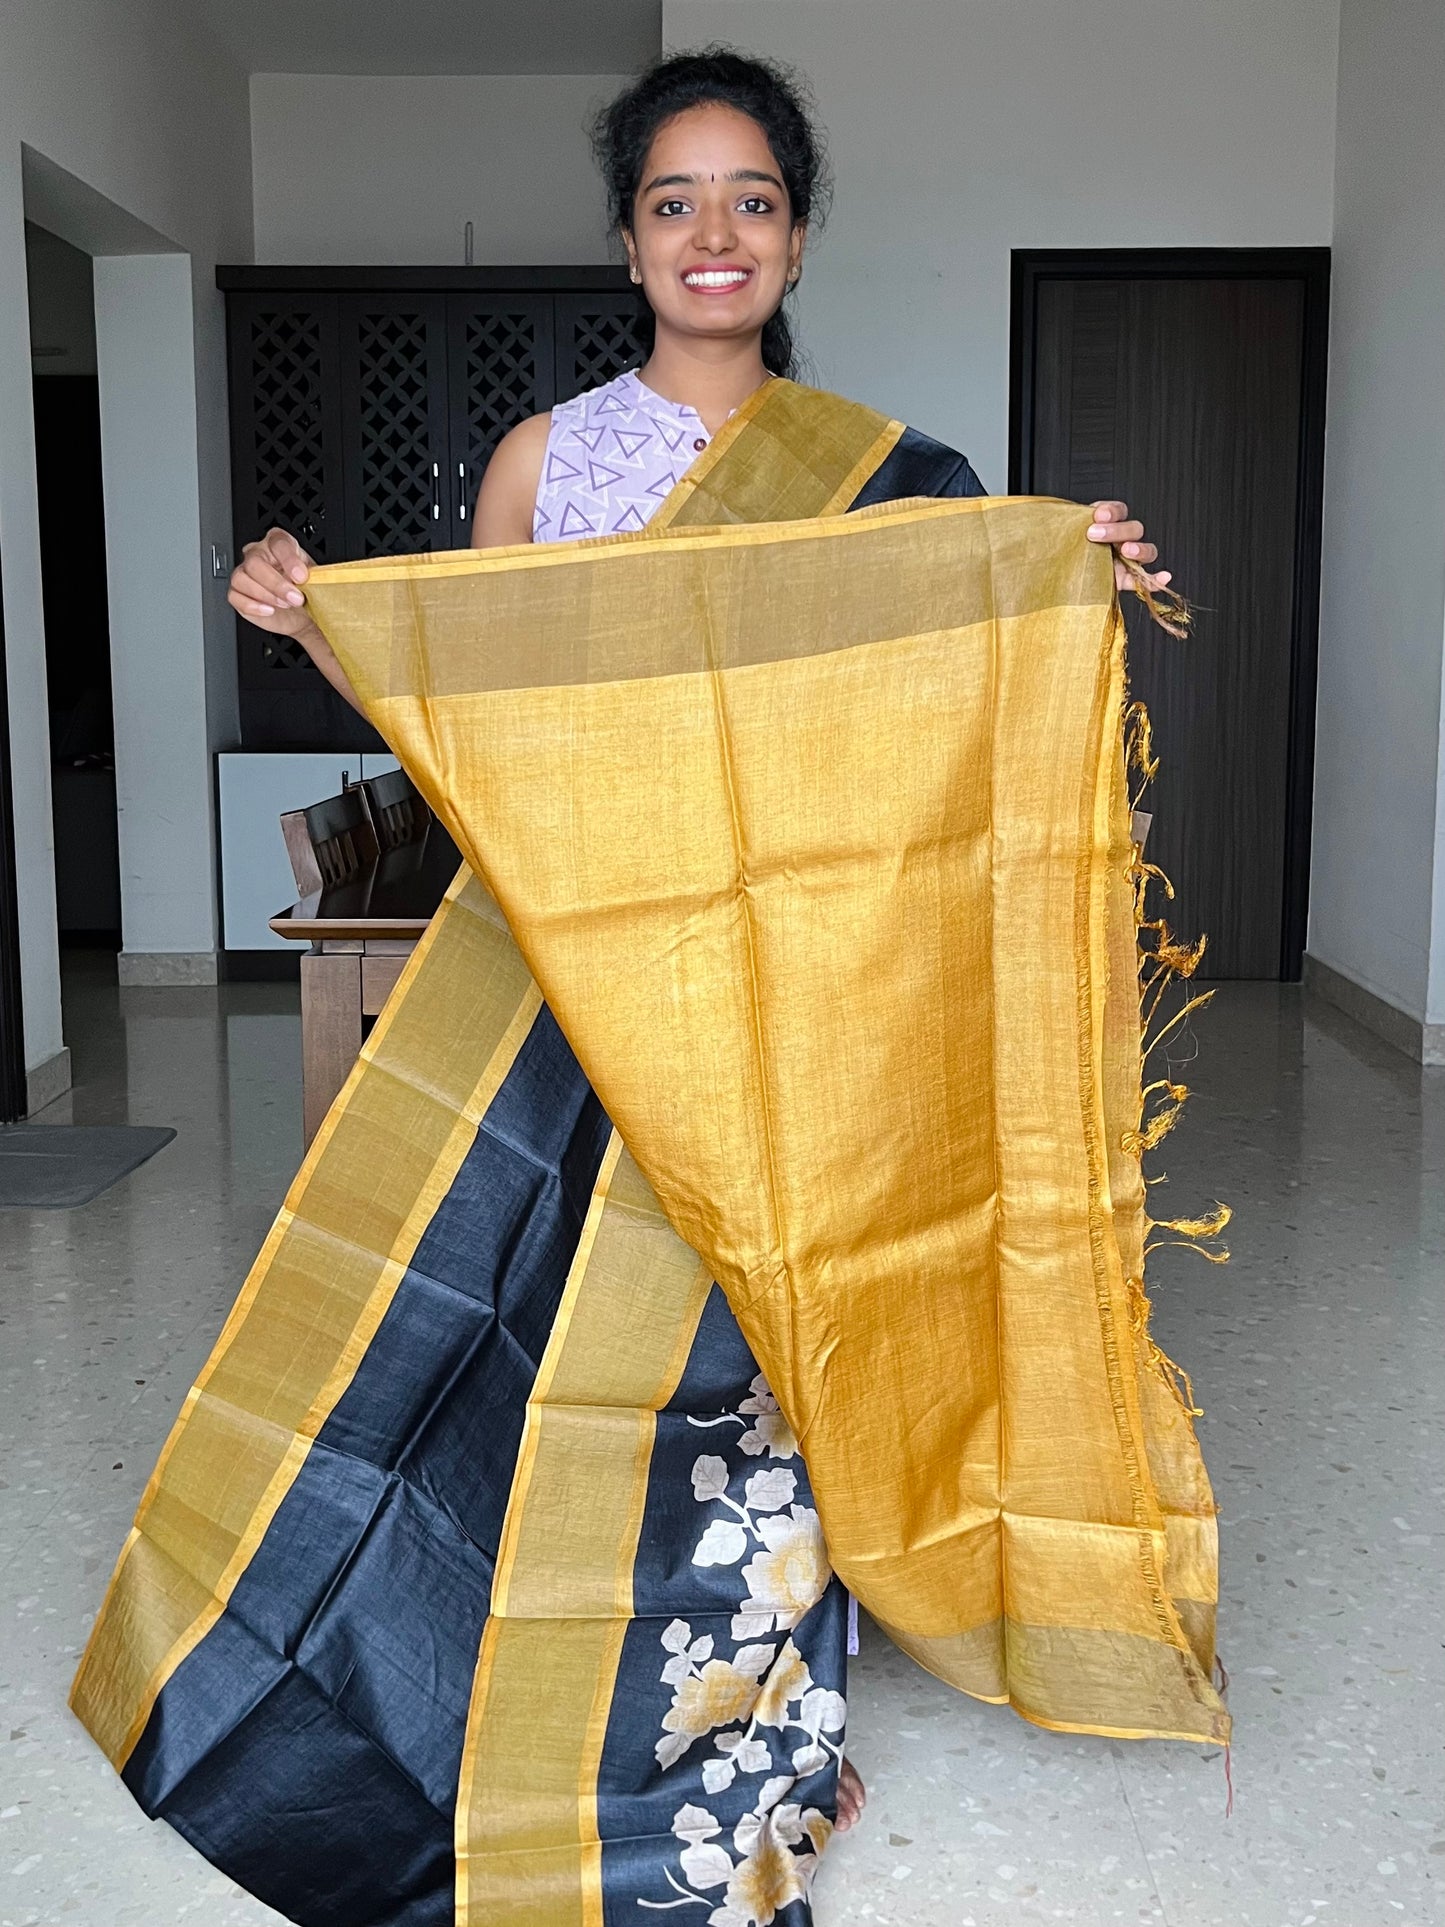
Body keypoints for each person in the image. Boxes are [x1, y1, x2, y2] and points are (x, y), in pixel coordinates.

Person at [113, 47, 1173, 1925]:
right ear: (625, 239)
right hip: (564, 1005)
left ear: (792, 230)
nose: (713, 234)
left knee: (751, 1395)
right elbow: (475, 735)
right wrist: (322, 624)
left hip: (782, 1017)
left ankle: (739, 1786)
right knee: (520, 1379)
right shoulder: (550, 458)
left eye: (750, 199)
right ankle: (478, 1726)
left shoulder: (885, 484)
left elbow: (924, 730)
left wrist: (1055, 580)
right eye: (674, 201)